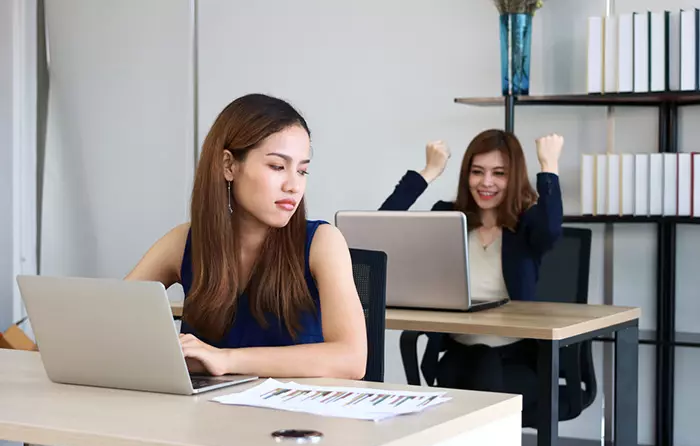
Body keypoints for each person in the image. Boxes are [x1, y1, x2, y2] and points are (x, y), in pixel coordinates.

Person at [126, 93, 367, 380]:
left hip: (294, 419)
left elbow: (351, 359)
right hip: (204, 416)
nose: (293, 185)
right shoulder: (185, 241)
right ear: (229, 166)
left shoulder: (322, 242)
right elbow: (111, 317)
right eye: (277, 167)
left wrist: (225, 359)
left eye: (302, 170)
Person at [380, 129, 564, 420]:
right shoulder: (448, 217)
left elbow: (552, 229)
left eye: (499, 173)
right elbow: (382, 227)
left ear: (513, 177)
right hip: (457, 355)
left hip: (515, 361)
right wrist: (428, 172)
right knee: (476, 366)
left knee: (485, 369)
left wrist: (549, 166)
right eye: (477, 172)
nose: (486, 182)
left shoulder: (528, 224)